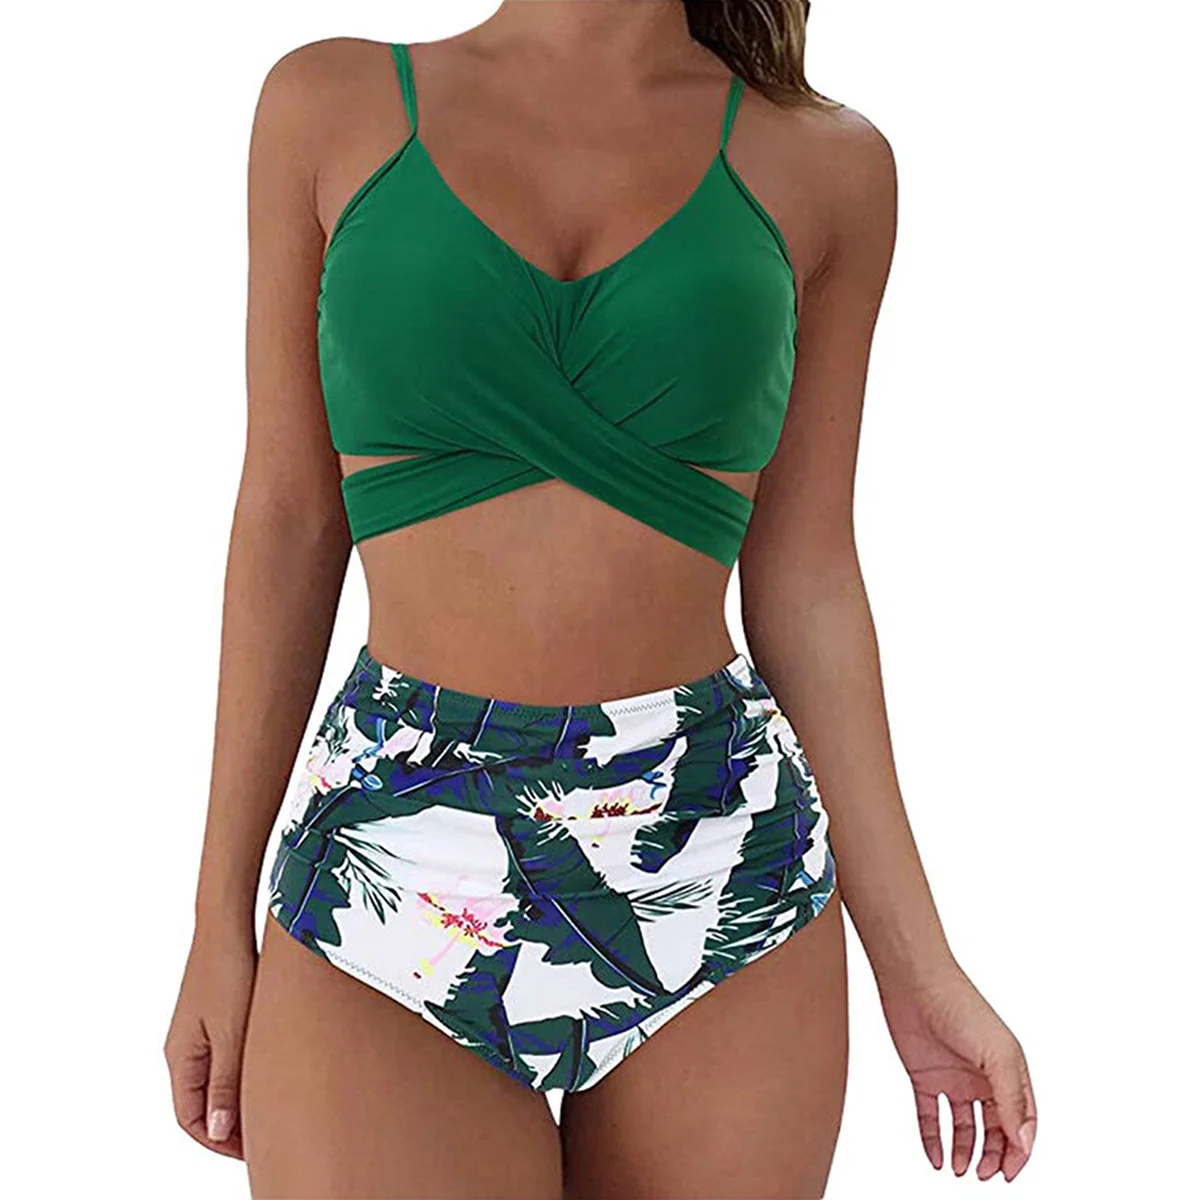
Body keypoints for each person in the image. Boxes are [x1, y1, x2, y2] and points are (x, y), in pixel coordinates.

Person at [163, 2, 1037, 1196]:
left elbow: (809, 579)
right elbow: (286, 518)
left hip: (717, 850)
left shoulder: (827, 164)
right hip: (395, 847)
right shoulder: (330, 106)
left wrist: (920, 966)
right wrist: (215, 917)